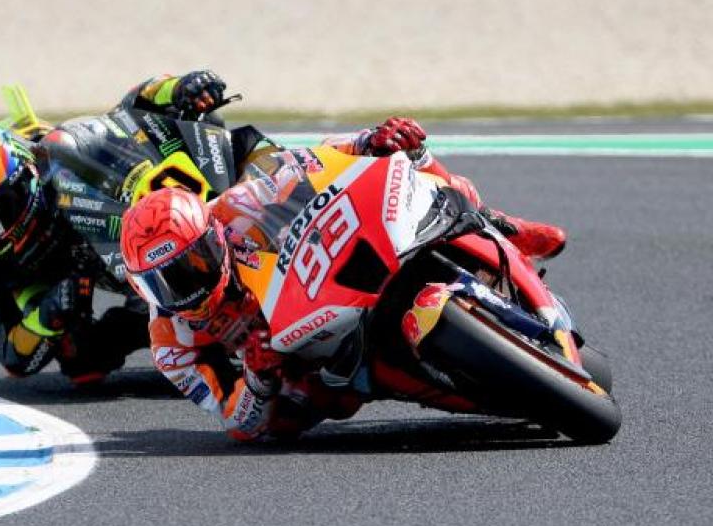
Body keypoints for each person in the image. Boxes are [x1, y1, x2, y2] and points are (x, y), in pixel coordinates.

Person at [119, 114, 567, 442]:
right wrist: (257, 377)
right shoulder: (170, 343)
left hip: (322, 276)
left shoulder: (236, 206)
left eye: (193, 263)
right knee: (295, 416)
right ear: (142, 286)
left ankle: (501, 224)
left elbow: (311, 161)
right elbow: (238, 421)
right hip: (300, 359)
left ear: (212, 236)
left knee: (422, 173)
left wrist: (372, 139)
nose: (187, 285)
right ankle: (486, 399)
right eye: (166, 281)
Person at [0, 71, 235, 383]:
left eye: (0, 206)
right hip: (49, 282)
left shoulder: (56, 158)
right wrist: (49, 316)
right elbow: (12, 358)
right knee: (82, 360)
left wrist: (178, 88)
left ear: (26, 180)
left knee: (203, 121)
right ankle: (155, 324)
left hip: (95, 236)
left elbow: (128, 112)